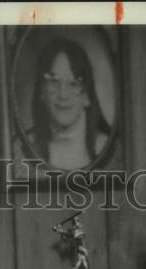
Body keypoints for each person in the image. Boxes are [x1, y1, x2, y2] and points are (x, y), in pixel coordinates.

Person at [27, 36, 112, 171]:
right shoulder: (25, 147)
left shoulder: (108, 148)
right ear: (41, 92)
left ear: (87, 96)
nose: (63, 94)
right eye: (54, 82)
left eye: (73, 84)